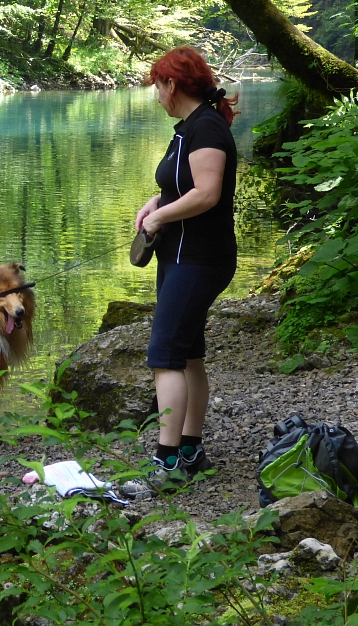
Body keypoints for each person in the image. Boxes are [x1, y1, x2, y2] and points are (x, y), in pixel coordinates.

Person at [123, 46, 239, 498]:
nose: (155, 94)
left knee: (165, 354)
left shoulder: (206, 127)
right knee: (188, 353)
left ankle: (166, 460)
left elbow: (207, 193)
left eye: (157, 85)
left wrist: (158, 218)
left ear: (172, 84)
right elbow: (182, 184)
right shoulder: (189, 128)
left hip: (199, 259)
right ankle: (190, 451)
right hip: (180, 257)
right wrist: (156, 201)